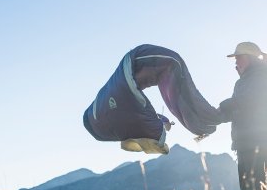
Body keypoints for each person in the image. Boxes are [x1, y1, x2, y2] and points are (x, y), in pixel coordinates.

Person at [83, 44, 223, 154]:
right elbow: (141, 115)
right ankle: (209, 121)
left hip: (132, 68)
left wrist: (163, 122)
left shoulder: (125, 117)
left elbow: (139, 114)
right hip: (132, 68)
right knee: (174, 65)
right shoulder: (135, 117)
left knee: (174, 66)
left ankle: (208, 121)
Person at [218, 42, 267, 190]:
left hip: (258, 144)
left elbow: (248, 101)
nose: (235, 63)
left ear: (248, 58)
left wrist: (224, 106)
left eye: (238, 58)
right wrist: (213, 118)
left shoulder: (261, 77)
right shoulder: (242, 83)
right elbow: (236, 110)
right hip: (245, 144)